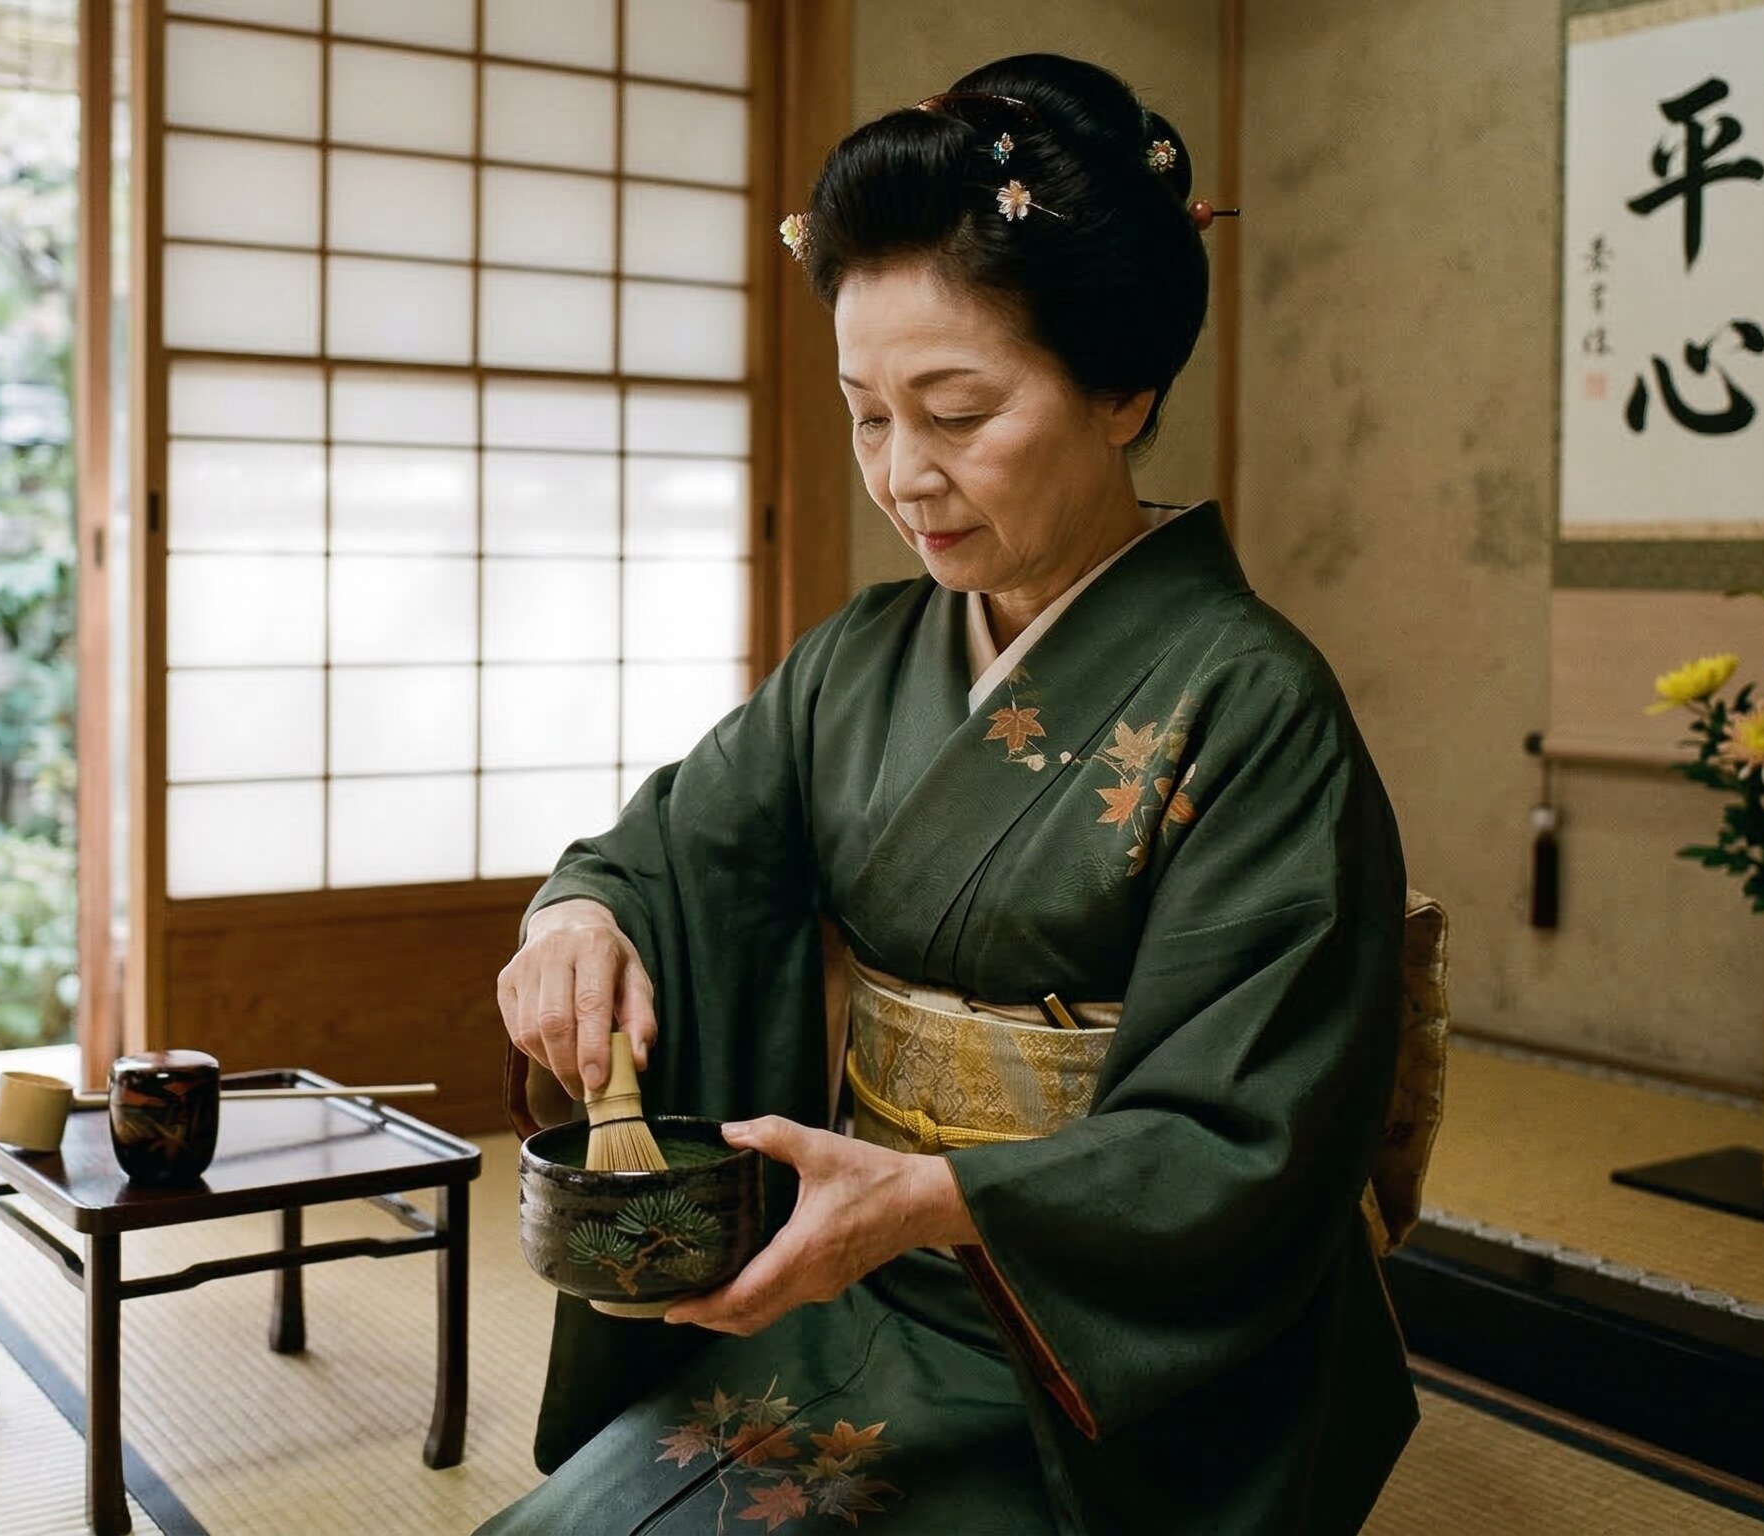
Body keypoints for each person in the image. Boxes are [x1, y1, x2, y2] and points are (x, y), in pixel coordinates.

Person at [482, 52, 1415, 1535]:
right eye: (867, 415)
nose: (904, 476)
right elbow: (679, 844)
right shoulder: (864, 654)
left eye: (958, 411)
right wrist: (587, 912)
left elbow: (1249, 1135)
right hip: (847, 1267)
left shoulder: (1252, 706)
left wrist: (936, 1201)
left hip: (1107, 1351)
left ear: (1124, 388)